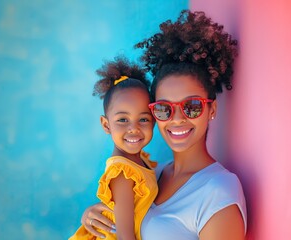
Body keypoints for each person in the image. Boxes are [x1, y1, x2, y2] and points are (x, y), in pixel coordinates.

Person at [78, 10, 247, 240]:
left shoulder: (218, 190)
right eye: (164, 108)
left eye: (192, 106)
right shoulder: (151, 173)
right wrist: (92, 217)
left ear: (212, 110)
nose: (177, 118)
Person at [69, 56, 158, 240]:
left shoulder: (139, 161)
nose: (134, 128)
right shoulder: (123, 173)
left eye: (143, 119)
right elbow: (125, 237)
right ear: (106, 125)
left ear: (154, 121)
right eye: (122, 120)